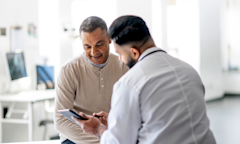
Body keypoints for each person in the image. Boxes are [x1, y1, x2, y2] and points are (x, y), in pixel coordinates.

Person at [73, 15, 216, 144]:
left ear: (134, 52)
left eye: (120, 54)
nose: (121, 60)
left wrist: (98, 129)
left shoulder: (129, 83)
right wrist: (117, 121)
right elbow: (169, 122)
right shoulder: (189, 71)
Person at [54, 16, 128, 144]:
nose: (94, 52)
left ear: (109, 39)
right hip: (77, 138)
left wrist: (108, 136)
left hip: (111, 134)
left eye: (99, 44)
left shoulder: (124, 67)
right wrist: (101, 138)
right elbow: (60, 121)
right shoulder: (68, 70)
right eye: (87, 46)